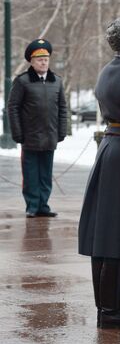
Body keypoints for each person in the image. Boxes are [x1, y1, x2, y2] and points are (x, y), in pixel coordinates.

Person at [78, 16, 120, 330]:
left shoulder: (109, 69)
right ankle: (110, 310)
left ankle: (106, 306)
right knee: (115, 232)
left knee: (103, 231)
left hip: (110, 145)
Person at [7, 39, 67, 218]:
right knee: (31, 174)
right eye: (40, 59)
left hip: (50, 135)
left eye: (46, 59)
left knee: (46, 175)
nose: (43, 62)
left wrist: (61, 131)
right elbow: (13, 107)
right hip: (30, 137)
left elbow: (63, 108)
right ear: (31, 62)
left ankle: (43, 205)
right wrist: (17, 133)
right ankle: (32, 205)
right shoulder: (23, 81)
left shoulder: (57, 81)